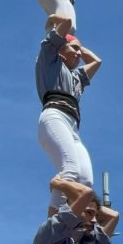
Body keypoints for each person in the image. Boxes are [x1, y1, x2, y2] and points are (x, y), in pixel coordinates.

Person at [36, 17, 102, 212]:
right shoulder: (49, 60)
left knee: (85, 181)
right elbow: (65, 21)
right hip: (55, 116)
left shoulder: (76, 78)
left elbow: (97, 61)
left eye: (79, 51)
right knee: (70, 169)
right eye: (73, 49)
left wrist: (78, 47)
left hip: (72, 126)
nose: (78, 54)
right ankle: (53, 225)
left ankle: (69, 221)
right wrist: (57, 20)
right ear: (60, 48)